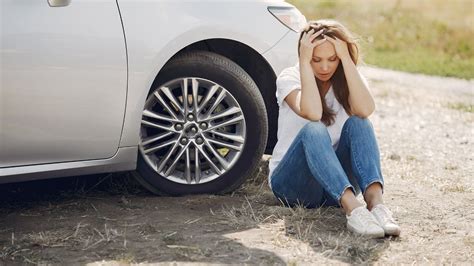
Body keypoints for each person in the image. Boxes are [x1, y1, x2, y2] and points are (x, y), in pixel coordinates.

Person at [268, 20, 400, 238]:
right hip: (293, 184)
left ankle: (376, 206)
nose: (325, 67)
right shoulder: (289, 78)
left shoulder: (349, 79)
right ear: (305, 55)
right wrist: (303, 61)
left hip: (334, 188)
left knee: (360, 122)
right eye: (316, 59)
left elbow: (366, 109)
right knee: (314, 129)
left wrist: (346, 58)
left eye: (332, 59)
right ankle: (354, 210)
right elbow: (312, 113)